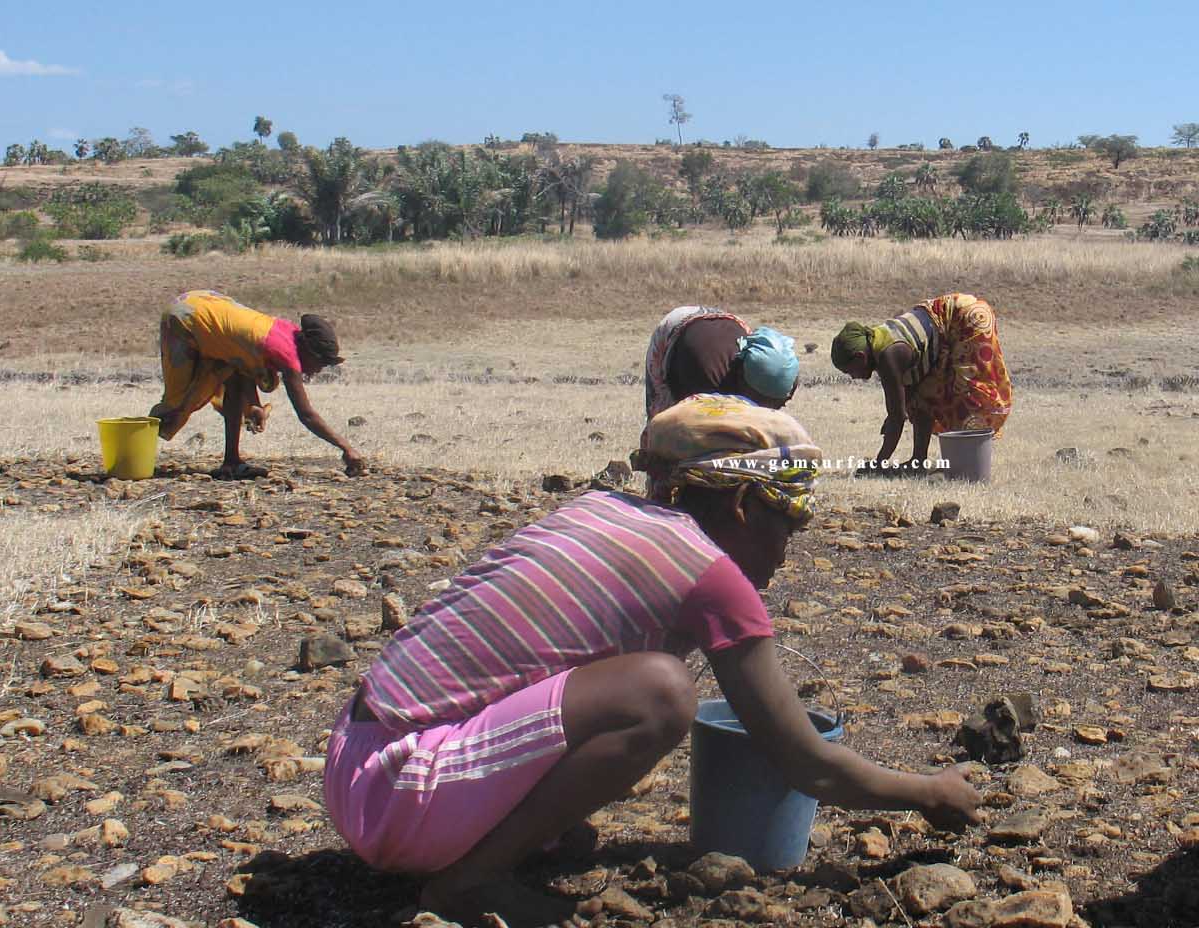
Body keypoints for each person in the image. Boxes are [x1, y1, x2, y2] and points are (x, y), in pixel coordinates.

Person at [324, 394, 982, 927]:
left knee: (609, 744)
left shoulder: (599, 510)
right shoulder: (711, 576)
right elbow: (806, 762)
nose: (788, 549)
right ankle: (468, 883)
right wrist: (927, 794)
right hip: (399, 796)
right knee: (662, 693)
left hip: (354, 759)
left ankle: (480, 846)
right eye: (790, 523)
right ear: (744, 505)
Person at [147, 289, 365, 479]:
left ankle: (231, 463)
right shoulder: (287, 356)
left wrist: (253, 404)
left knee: (232, 380)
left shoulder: (286, 332)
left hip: (204, 303)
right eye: (320, 363)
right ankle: (127, 454)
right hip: (186, 317)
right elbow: (306, 414)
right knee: (179, 403)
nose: (318, 370)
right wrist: (345, 447)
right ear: (308, 351)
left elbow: (243, 361)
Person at [830, 293, 1012, 469]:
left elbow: (897, 417)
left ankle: (967, 466)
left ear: (860, 356)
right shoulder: (878, 344)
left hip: (967, 318)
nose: (853, 377)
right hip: (946, 323)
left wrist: (879, 463)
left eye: (850, 371)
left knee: (967, 394)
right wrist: (896, 413)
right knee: (920, 398)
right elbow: (908, 400)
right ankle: (919, 461)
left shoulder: (889, 356)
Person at [643, 306, 800, 423]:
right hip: (677, 329)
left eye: (778, 403)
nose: (770, 409)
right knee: (667, 423)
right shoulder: (710, 376)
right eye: (764, 401)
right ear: (743, 381)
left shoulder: (785, 374)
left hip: (727, 326)